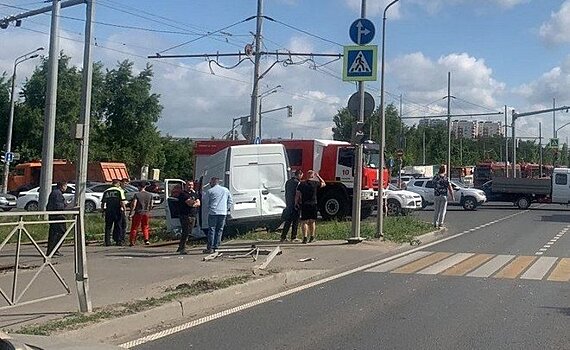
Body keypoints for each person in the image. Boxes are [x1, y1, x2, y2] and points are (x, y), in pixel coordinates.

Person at [296, 170, 326, 244]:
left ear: (306, 175)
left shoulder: (302, 184)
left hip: (305, 204)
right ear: (312, 176)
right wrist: (318, 176)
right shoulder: (315, 183)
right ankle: (312, 236)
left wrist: (296, 202)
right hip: (313, 204)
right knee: (312, 221)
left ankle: (305, 238)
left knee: (304, 222)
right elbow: (324, 183)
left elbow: (297, 195)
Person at [204, 177, 232, 254]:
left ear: (213, 182)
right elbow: (230, 201)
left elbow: (206, 202)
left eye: (210, 182)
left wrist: (209, 208)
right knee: (220, 229)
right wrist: (226, 208)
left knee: (212, 229)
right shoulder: (225, 190)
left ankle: (210, 247)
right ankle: (217, 246)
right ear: (218, 182)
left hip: (213, 212)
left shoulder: (210, 191)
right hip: (223, 212)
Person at [174, 182, 200, 255]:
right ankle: (182, 248)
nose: (190, 186)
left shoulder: (194, 194)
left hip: (193, 215)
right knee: (186, 231)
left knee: (189, 231)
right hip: (185, 215)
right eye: (188, 185)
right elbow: (189, 203)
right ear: (185, 185)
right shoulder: (183, 194)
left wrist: (194, 203)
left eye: (191, 185)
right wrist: (194, 203)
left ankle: (181, 246)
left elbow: (198, 203)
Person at [128, 182, 154, 246]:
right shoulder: (150, 195)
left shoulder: (137, 194)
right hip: (146, 213)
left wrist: (131, 213)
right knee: (145, 226)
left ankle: (132, 241)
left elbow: (134, 204)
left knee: (134, 227)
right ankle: (146, 240)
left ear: (139, 187)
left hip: (138, 212)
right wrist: (148, 210)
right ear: (145, 187)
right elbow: (151, 204)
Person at [102, 179, 127, 246]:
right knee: (118, 225)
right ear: (118, 184)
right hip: (117, 210)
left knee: (108, 226)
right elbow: (122, 201)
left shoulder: (106, 191)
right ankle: (118, 241)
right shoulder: (119, 190)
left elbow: (103, 202)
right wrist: (124, 210)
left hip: (108, 210)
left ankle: (107, 241)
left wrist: (103, 211)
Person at [46, 181, 68, 256]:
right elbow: (58, 206)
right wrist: (66, 206)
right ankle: (53, 250)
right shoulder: (57, 194)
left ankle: (52, 250)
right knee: (60, 233)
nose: (66, 188)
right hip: (58, 216)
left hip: (54, 216)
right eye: (65, 186)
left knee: (53, 234)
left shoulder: (56, 193)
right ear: (62, 186)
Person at [281, 169, 303, 242]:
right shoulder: (298, 183)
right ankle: (293, 237)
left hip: (289, 204)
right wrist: (298, 203)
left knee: (288, 221)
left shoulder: (288, 182)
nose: (302, 176)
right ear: (299, 175)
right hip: (295, 204)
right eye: (301, 175)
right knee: (295, 221)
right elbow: (298, 194)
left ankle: (283, 237)